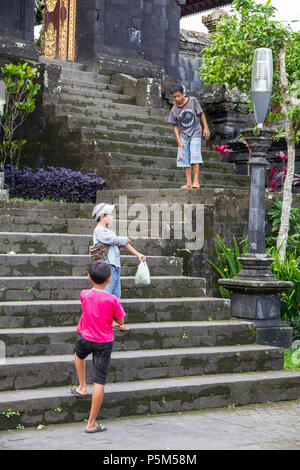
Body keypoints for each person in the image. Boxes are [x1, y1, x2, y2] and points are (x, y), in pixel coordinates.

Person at [71, 261, 128, 434]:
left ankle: (81, 386)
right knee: (99, 381)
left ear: (89, 277)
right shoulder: (112, 300)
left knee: (79, 355)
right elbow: (120, 321)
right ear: (110, 279)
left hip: (85, 337)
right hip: (103, 342)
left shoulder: (84, 294)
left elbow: (92, 312)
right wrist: (119, 324)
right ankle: (91, 423)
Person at [92, 202, 146, 300]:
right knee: (107, 295)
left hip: (116, 267)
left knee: (116, 296)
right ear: (102, 217)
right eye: (110, 214)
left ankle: (114, 314)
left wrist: (138, 254)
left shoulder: (110, 232)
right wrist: (124, 239)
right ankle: (105, 314)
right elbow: (113, 240)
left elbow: (123, 243)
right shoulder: (99, 230)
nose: (112, 216)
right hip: (106, 268)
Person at [168, 84, 210, 189]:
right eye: (174, 97)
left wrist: (206, 128)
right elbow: (175, 126)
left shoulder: (193, 101)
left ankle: (196, 181)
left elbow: (201, 114)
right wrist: (178, 141)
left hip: (195, 132)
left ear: (183, 94)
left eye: (178, 96)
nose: (177, 99)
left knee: (195, 156)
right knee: (184, 159)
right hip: (183, 135)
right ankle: (188, 182)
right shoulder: (174, 110)